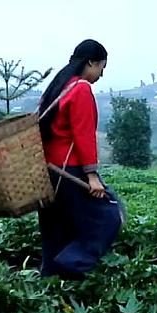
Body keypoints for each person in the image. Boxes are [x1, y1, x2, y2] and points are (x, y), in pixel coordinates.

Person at [35, 39, 125, 279]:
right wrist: (93, 177)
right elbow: (83, 135)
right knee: (109, 216)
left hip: (49, 170)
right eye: (101, 67)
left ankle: (50, 277)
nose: (101, 74)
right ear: (91, 63)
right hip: (70, 169)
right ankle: (71, 266)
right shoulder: (81, 89)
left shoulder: (58, 87)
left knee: (55, 225)